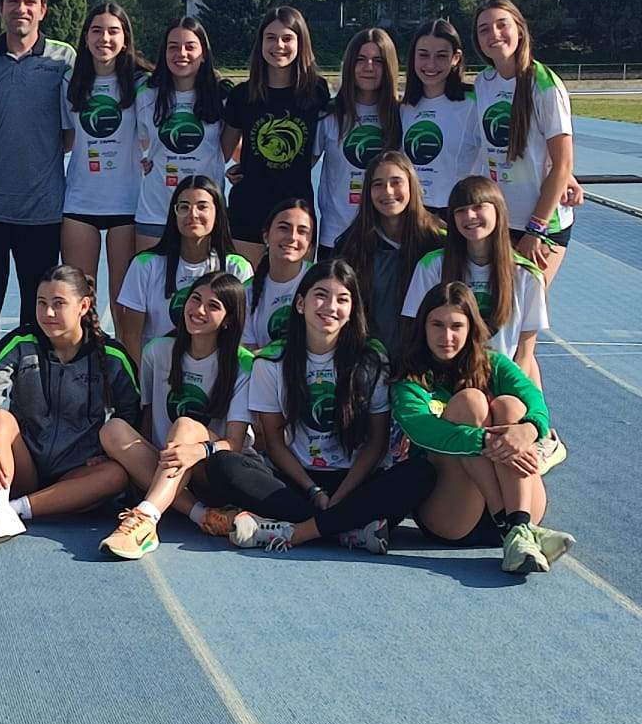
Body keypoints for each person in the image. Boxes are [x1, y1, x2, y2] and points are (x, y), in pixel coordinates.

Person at [202, 259, 436, 554]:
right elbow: (274, 443)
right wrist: (314, 492)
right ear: (300, 303)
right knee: (222, 465)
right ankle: (346, 530)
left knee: (421, 473)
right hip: (297, 480)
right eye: (321, 295)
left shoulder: (372, 360)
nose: (330, 306)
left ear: (352, 311)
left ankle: (298, 529)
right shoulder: (271, 361)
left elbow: (376, 443)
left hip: (356, 480)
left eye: (342, 298)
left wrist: (341, 495)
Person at [0, 264, 140, 549]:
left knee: (116, 475)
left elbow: (131, 415)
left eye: (58, 304)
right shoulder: (20, 343)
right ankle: (2, 504)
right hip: (24, 467)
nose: (48, 313)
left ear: (84, 305)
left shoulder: (111, 356)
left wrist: (105, 454)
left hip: (76, 473)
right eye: (42, 303)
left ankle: (4, 510)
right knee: (0, 417)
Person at [394, 281, 574, 575]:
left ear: (471, 329)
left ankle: (517, 528)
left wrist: (529, 429)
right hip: (452, 517)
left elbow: (536, 403)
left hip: (521, 504)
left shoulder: (495, 364)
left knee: (511, 407)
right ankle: (516, 529)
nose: (446, 336)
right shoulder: (410, 376)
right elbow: (421, 430)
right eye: (437, 325)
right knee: (470, 402)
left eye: (456, 326)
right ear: (423, 327)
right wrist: (488, 441)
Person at [0, 0, 77, 391]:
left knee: (40, 313)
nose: (21, 9)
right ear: (0, 7)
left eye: (30, 2)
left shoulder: (64, 59)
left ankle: (35, 395)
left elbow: (71, 132)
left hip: (41, 212)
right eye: (13, 1)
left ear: (43, 9)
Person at [99, 271, 255, 559]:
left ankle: (145, 518)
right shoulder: (157, 352)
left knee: (185, 424)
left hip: (211, 467)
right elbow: (147, 418)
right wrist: (134, 461)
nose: (198, 310)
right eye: (195, 299)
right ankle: (201, 515)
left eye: (213, 306)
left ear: (229, 319)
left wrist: (198, 451)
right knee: (113, 430)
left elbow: (234, 443)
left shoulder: (242, 364)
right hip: (166, 464)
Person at [473, 0, 579, 292]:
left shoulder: (544, 84)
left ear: (519, 29)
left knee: (525, 317)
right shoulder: (483, 83)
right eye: (484, 29)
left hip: (542, 225)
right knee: (499, 315)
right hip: (501, 221)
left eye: (501, 25)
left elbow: (563, 164)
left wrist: (536, 228)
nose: (493, 34)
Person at [403, 175, 548, 385]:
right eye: (460, 211)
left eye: (478, 207)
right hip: (445, 380)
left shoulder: (527, 275)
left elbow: (525, 354)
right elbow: (415, 336)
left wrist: (509, 392)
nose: (470, 216)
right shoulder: (431, 266)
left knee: (509, 411)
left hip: (501, 379)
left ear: (498, 211)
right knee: (472, 405)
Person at [59, 3, 151, 320]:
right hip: (80, 204)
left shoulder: (142, 84)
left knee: (124, 309)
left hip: (126, 205)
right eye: (97, 30)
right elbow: (67, 139)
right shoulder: (70, 81)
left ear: (125, 38)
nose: (105, 38)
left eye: (114, 31)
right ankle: (87, 369)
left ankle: (124, 369)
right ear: (86, 37)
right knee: (80, 308)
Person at [222, 6, 330, 267]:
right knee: (243, 295)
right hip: (248, 209)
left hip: (296, 210)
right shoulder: (242, 95)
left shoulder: (316, 91)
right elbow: (223, 150)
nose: (278, 45)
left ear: (300, 42)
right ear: (260, 43)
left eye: (287, 38)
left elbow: (314, 150)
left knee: (291, 298)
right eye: (270, 38)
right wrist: (247, 163)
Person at [113, 174, 252, 346]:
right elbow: (131, 335)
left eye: (202, 207)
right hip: (158, 369)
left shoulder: (237, 268)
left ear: (218, 213)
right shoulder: (145, 265)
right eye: (184, 207)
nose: (192, 214)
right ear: (174, 214)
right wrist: (143, 373)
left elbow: (242, 336)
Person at [132, 16, 230, 252]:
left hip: (206, 214)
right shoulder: (147, 94)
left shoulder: (222, 95)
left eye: (190, 47)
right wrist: (142, 161)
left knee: (205, 288)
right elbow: (136, 140)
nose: (181, 53)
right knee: (153, 287)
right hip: (156, 211)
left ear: (203, 53)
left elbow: (234, 148)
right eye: (173, 47)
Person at [336, 151, 444, 357]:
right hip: (371, 360)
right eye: (378, 184)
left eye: (396, 182)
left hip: (425, 362)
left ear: (412, 185)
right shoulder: (352, 244)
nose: (387, 191)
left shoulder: (437, 239)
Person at [317, 29, 401, 250]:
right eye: (361, 60)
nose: (369, 67)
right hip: (336, 235)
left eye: (378, 61)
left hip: (388, 236)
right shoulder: (329, 114)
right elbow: (298, 169)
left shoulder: (402, 114)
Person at [401, 18, 478, 217]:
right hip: (411, 214)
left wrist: (565, 176)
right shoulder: (403, 108)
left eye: (441, 56)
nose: (431, 64)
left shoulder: (475, 103)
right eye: (423, 55)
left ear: (456, 58)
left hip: (459, 215)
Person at [243, 198, 316, 351]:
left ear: (310, 244)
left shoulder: (321, 281)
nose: (292, 237)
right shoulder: (246, 291)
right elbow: (249, 352)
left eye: (302, 231)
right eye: (284, 228)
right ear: (266, 236)